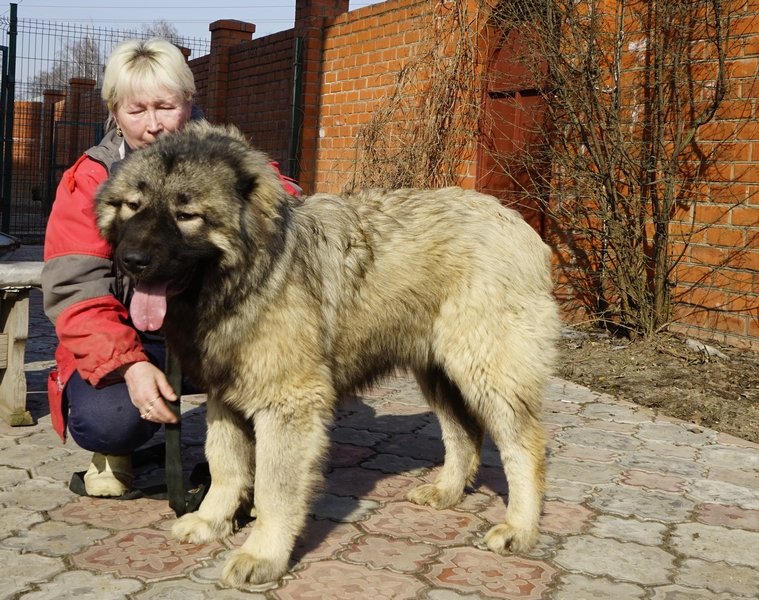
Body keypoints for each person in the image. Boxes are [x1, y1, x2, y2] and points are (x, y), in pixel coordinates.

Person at [42, 38, 300, 498]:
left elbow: (285, 205)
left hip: (217, 329)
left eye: (165, 106)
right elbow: (75, 290)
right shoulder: (90, 178)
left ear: (189, 103)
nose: (154, 125)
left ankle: (246, 461)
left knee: (277, 372)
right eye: (136, 110)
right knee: (108, 421)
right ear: (114, 112)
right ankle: (113, 450)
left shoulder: (227, 161)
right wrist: (129, 365)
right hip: (134, 334)